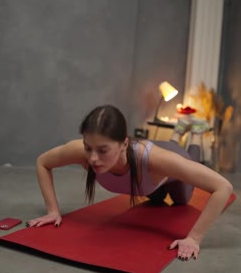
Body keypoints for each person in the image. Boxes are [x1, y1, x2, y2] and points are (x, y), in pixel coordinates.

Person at [27, 105, 233, 262]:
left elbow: (223, 187)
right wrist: (53, 210)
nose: (93, 158)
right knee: (156, 200)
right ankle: (178, 132)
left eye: (103, 150)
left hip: (170, 162)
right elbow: (43, 162)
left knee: (180, 200)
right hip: (149, 182)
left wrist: (194, 238)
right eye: (88, 148)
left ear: (124, 143)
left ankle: (195, 133)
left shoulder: (154, 160)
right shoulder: (82, 152)